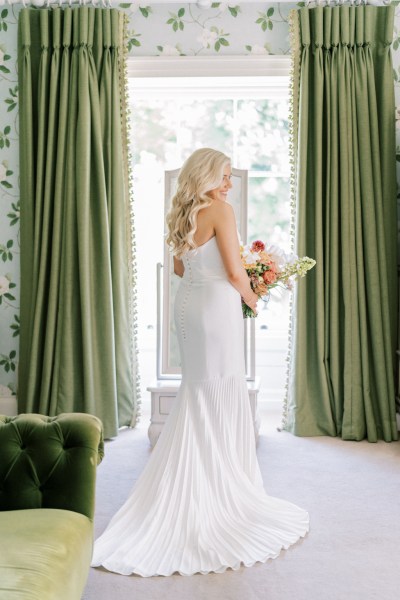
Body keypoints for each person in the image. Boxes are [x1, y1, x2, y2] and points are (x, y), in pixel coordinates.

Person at [91, 148, 309, 577]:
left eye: (229, 177)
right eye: (225, 175)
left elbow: (178, 268)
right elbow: (232, 272)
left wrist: (234, 282)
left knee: (200, 390)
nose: (229, 184)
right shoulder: (222, 211)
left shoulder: (183, 212)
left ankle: (197, 481)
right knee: (219, 388)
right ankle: (216, 491)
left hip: (188, 306)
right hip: (215, 308)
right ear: (207, 175)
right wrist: (253, 297)